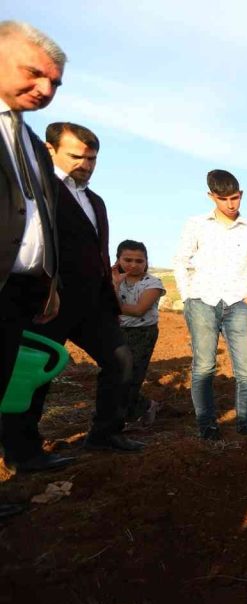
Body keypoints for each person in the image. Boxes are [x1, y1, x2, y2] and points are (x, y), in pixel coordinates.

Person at [4, 122, 145, 461]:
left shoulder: (95, 201)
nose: (86, 165)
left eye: (92, 159)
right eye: (77, 157)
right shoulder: (36, 191)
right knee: (34, 376)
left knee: (121, 361)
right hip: (47, 301)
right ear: (50, 151)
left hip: (93, 303)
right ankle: (22, 451)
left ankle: (104, 433)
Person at [0, 22, 73, 501]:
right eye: (34, 73)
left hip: (22, 288)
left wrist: (50, 279)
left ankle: (21, 455)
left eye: (55, 83)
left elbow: (39, 214)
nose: (45, 89)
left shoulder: (27, 140)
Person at [172, 169, 247, 439]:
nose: (230, 204)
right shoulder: (195, 224)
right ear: (211, 196)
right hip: (202, 300)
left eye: (235, 198)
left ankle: (245, 421)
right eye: (223, 198)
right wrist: (187, 296)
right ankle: (207, 424)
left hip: (239, 302)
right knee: (203, 367)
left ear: (242, 195)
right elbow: (181, 260)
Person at [113, 240, 164, 426]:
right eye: (128, 259)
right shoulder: (111, 279)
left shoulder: (153, 283)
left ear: (146, 262)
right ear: (118, 260)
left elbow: (138, 310)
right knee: (115, 375)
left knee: (132, 377)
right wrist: (115, 285)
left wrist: (112, 303)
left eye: (139, 261)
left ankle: (142, 408)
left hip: (142, 333)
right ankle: (130, 410)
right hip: (116, 331)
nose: (133, 264)